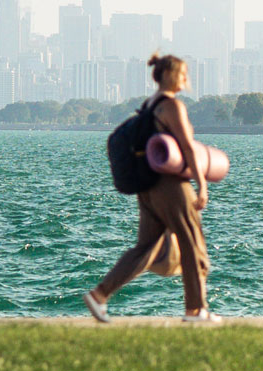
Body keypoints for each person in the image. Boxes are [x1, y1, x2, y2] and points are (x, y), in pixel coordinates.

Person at [86, 54, 218, 324]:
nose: (186, 79)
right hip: (171, 186)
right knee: (192, 242)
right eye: (183, 74)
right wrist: (201, 184)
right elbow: (188, 148)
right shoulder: (172, 106)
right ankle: (196, 310)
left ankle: (100, 295)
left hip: (148, 187)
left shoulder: (149, 105)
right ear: (172, 75)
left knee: (145, 248)